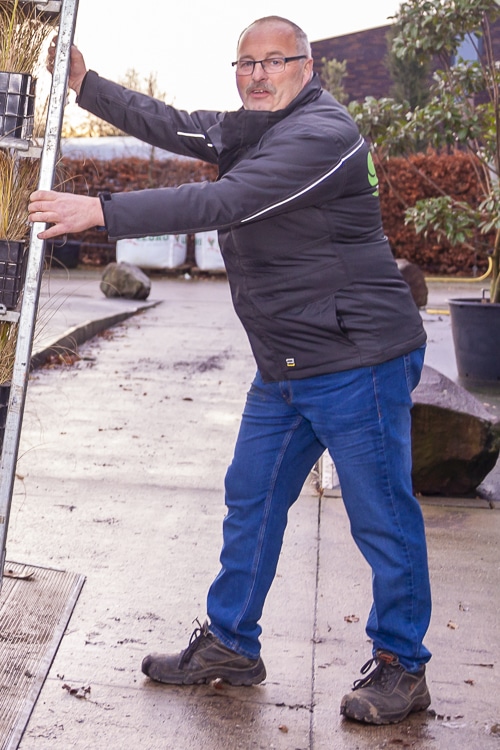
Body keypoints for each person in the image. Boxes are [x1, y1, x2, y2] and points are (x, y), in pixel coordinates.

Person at [29, 16, 432, 725]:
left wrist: (101, 209)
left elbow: (226, 201)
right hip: (285, 359)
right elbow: (177, 125)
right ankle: (231, 645)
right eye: (245, 63)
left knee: (382, 516)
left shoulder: (322, 136)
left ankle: (403, 665)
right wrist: (85, 85)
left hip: (357, 359)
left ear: (309, 68)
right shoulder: (261, 127)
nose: (257, 74)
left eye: (274, 61)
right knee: (251, 495)